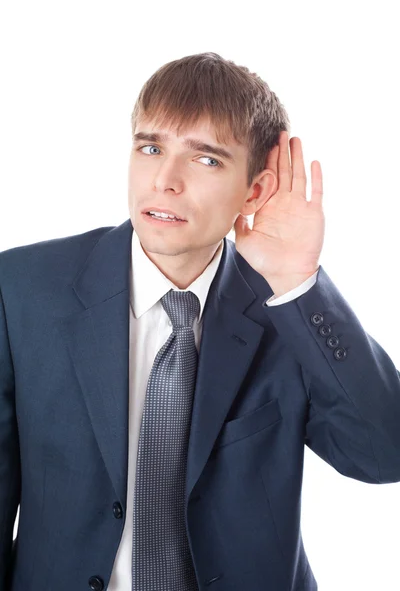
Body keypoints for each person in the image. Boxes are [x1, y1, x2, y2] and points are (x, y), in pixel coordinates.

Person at [1, 51, 400, 591]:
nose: (164, 180)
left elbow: (382, 455)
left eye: (205, 159)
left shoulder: (288, 312)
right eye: (150, 147)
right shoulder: (23, 288)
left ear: (255, 190)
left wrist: (298, 283)